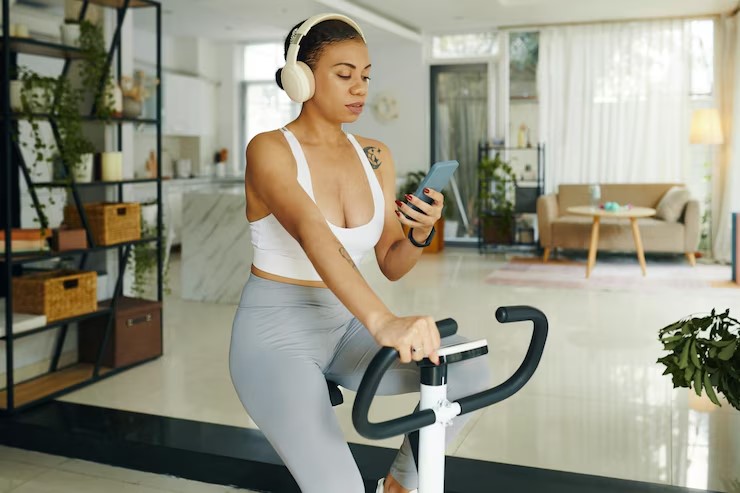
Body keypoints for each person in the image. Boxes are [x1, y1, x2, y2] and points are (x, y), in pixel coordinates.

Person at [229, 13, 490, 493]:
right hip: (275, 335)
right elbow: (314, 235)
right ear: (301, 78)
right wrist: (385, 322)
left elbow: (391, 262)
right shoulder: (269, 149)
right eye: (344, 74)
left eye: (365, 76)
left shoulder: (375, 154)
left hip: (346, 324)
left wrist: (419, 233)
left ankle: (400, 483)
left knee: (469, 365)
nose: (359, 88)